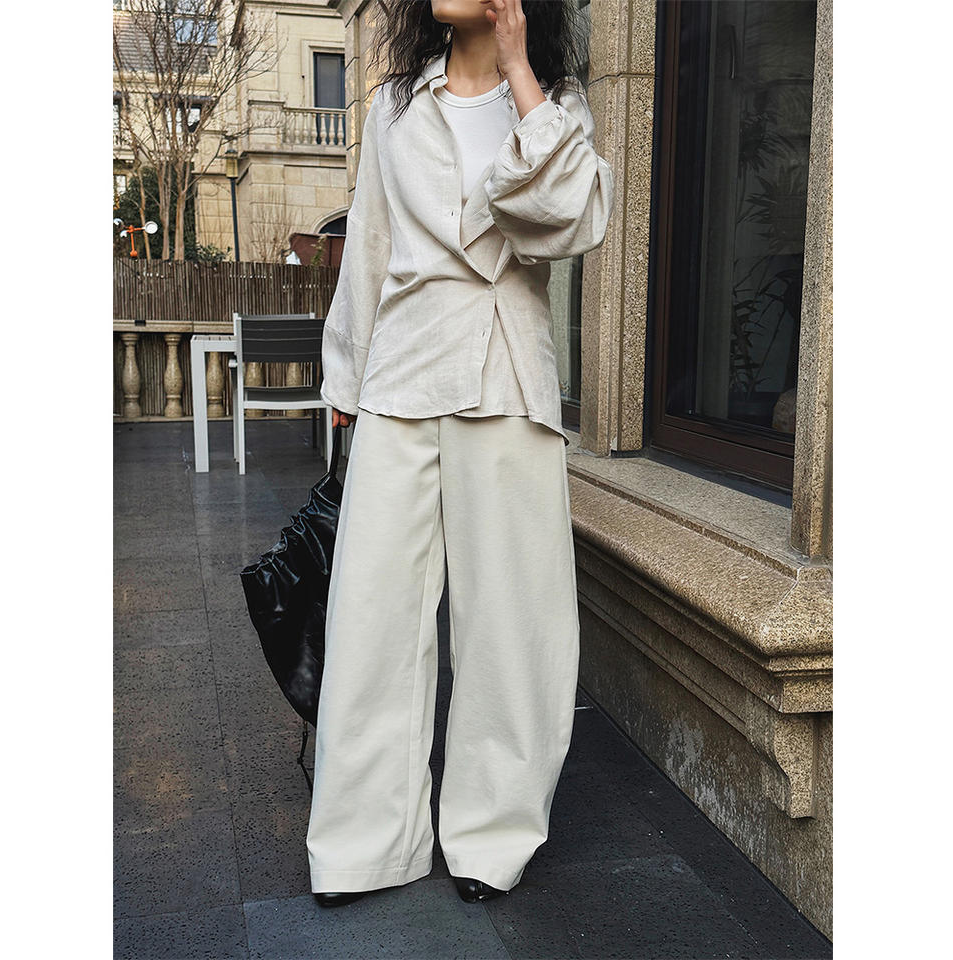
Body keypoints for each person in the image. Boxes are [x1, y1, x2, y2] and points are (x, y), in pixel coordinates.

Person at [307, 0, 615, 908]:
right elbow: (368, 247)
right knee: (371, 618)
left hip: (506, 372)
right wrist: (344, 380)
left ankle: (490, 837)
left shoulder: (555, 103)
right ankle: (364, 844)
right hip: (402, 373)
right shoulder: (397, 105)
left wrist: (521, 73)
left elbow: (573, 220)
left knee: (512, 623)